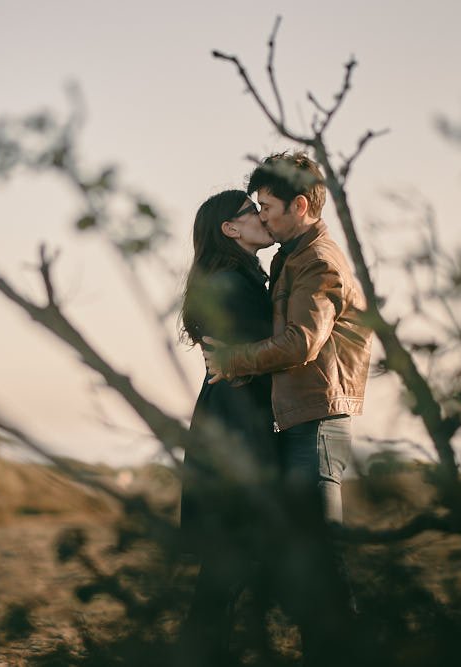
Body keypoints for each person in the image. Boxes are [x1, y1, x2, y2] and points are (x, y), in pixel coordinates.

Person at [202, 151, 373, 664]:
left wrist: (234, 360)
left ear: (299, 205)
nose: (262, 214)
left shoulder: (316, 260)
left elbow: (301, 342)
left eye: (267, 205)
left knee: (323, 553)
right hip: (300, 419)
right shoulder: (291, 256)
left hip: (316, 424)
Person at [176, 189, 275, 665]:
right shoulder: (233, 282)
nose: (263, 216)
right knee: (230, 558)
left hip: (230, 418)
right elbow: (276, 348)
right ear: (230, 229)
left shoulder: (237, 275)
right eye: (251, 211)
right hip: (236, 425)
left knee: (230, 560)